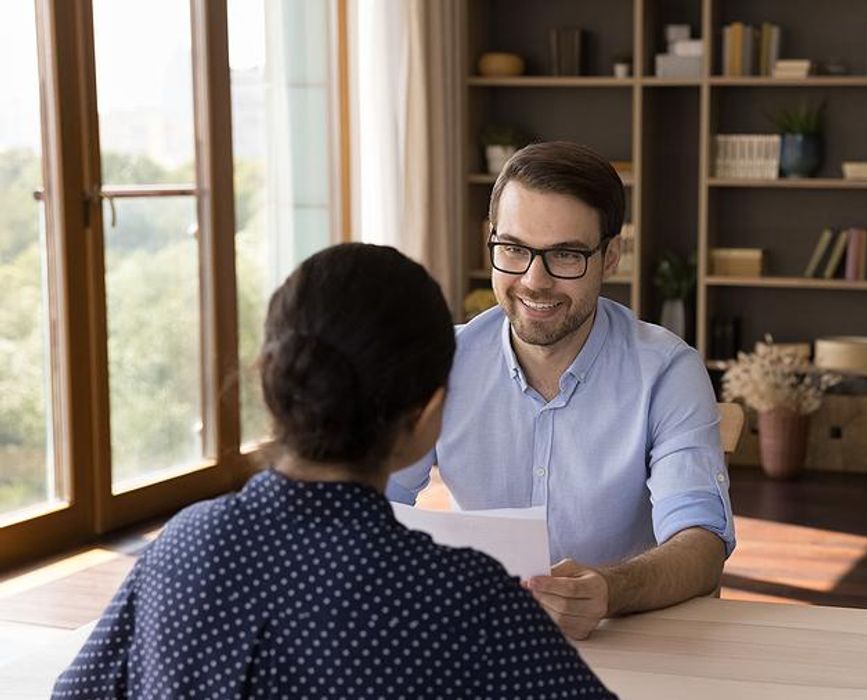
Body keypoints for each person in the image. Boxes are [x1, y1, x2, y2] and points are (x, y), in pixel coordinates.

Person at [53, 243, 614, 698]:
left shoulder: (184, 543)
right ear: (428, 414)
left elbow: (76, 692)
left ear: (272, 384)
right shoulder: (465, 598)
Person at [387, 142, 735, 640]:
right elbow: (375, 502)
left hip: (627, 637)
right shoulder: (439, 362)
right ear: (491, 241)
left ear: (610, 257)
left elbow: (701, 544)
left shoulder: (667, 371)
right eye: (514, 249)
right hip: (483, 637)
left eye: (566, 255)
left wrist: (610, 589)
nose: (535, 281)